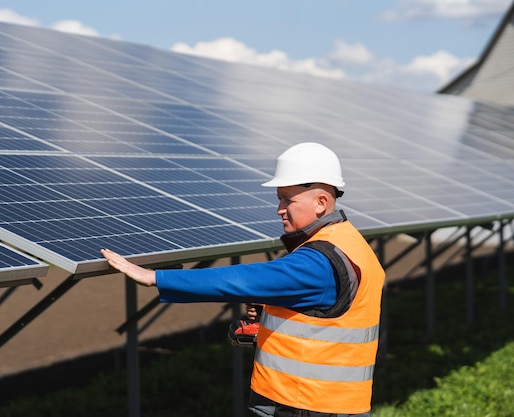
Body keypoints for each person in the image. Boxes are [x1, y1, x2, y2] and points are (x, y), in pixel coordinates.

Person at [101, 142, 386, 417]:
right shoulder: (351, 243)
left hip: (306, 405)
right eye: (279, 199)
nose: (279, 209)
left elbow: (242, 279)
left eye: (288, 199)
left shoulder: (319, 261)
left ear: (321, 203)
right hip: (334, 403)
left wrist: (156, 277)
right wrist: (274, 313)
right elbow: (328, 318)